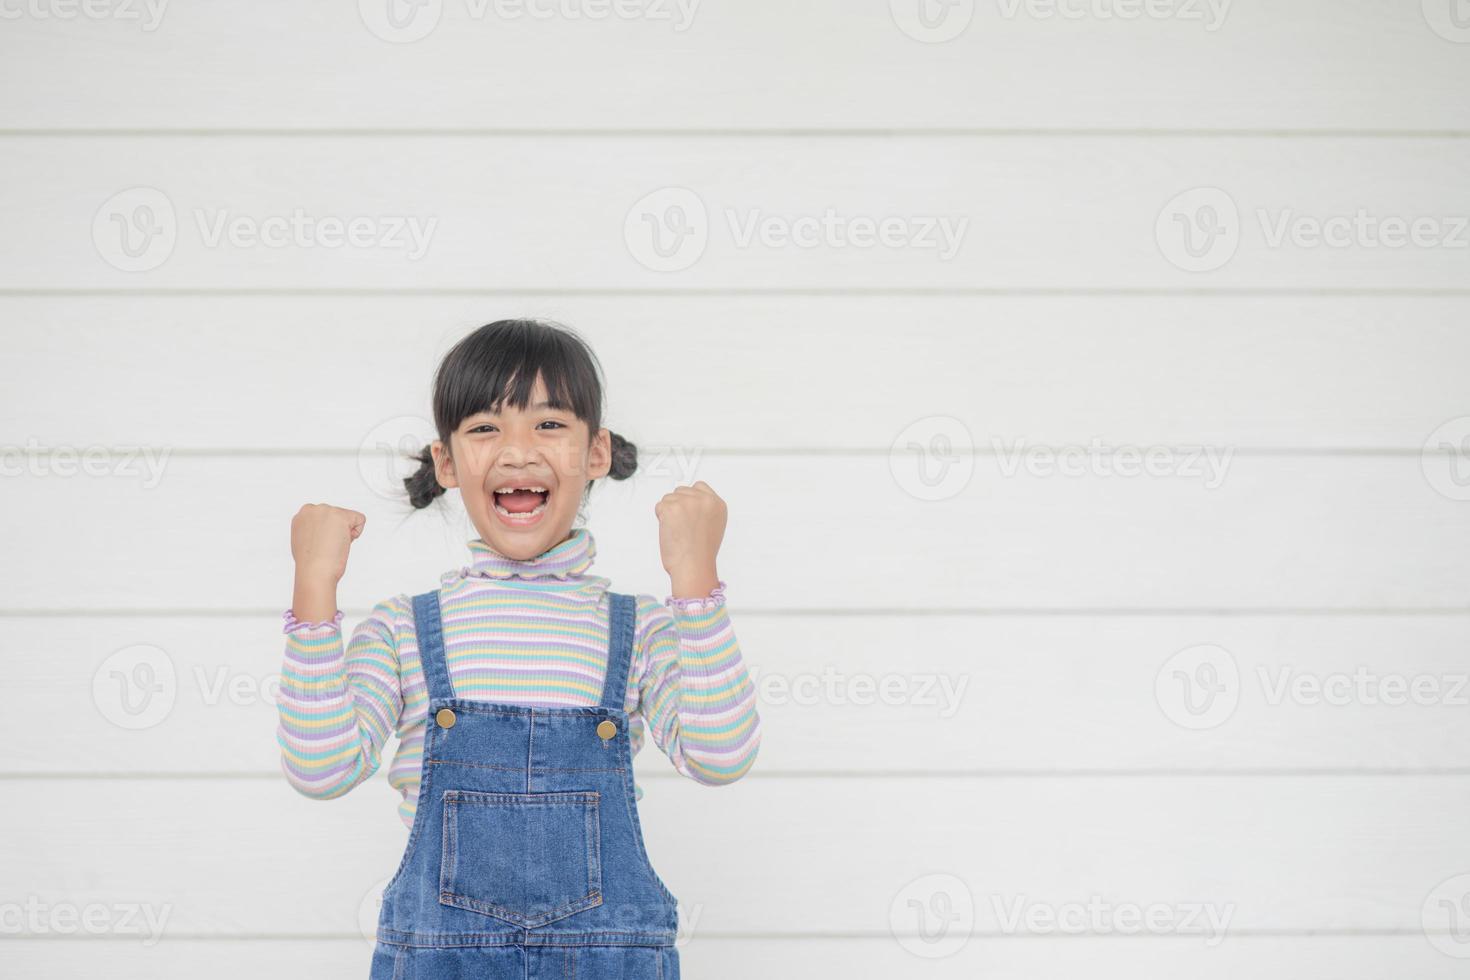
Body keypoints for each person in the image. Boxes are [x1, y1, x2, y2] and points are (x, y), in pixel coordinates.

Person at [275, 317, 761, 978]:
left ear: (596, 453)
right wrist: (314, 588)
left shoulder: (640, 627)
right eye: (484, 427)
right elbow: (319, 767)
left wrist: (694, 580)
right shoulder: (402, 630)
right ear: (445, 462)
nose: (518, 450)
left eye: (549, 424)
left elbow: (721, 755)